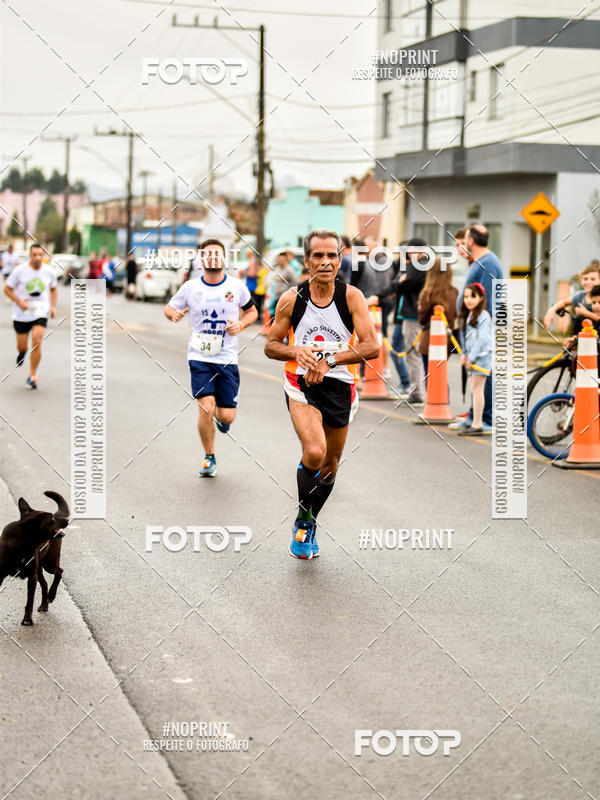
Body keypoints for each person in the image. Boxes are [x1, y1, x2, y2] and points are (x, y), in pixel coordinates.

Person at [264, 228, 379, 559]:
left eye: (332, 255)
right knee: (314, 451)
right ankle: (304, 525)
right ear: (307, 260)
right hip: (301, 385)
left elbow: (371, 346)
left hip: (340, 384)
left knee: (329, 465)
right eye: (319, 255)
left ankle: (309, 517)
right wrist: (294, 351)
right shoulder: (292, 299)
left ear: (340, 259)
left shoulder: (351, 297)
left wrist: (330, 360)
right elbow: (272, 345)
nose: (326, 262)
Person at [164, 238, 257, 478]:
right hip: (199, 356)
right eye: (208, 254)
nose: (213, 257)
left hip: (226, 357)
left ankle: (222, 417)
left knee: (226, 416)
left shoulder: (237, 286)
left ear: (225, 259)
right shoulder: (190, 287)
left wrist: (241, 324)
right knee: (205, 407)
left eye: (218, 254)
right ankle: (209, 457)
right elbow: (169, 308)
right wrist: (173, 314)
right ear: (201, 259)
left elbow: (252, 311)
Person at [453, 225, 503, 432]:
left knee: (484, 376)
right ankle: (475, 417)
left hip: (481, 329)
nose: (463, 243)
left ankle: (486, 419)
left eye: (464, 239)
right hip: (473, 326)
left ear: (471, 241)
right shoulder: (480, 262)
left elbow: (487, 299)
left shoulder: (488, 264)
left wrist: (476, 322)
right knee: (477, 378)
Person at [368, 237, 428, 404]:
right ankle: (411, 387)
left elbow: (404, 284)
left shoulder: (421, 265)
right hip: (405, 314)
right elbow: (397, 282)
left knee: (411, 353)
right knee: (404, 351)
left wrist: (400, 283)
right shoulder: (411, 265)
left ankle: (416, 392)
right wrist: (398, 283)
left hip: (413, 315)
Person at [4, 242, 57, 389]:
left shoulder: (49, 271)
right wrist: (19, 301)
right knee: (22, 345)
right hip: (21, 313)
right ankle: (22, 352)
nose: (38, 257)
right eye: (35, 255)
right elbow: (7, 289)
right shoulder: (19, 271)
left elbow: (53, 289)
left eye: (40, 254)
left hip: (40, 311)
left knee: (37, 340)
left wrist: (52, 307)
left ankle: (32, 376)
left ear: (44, 255)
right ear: (30, 255)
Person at [458, 283, 492, 436]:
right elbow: (466, 337)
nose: (469, 300)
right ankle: (475, 421)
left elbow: (483, 338)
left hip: (482, 358)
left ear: (481, 298)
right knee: (475, 389)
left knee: (477, 390)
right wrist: (464, 354)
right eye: (466, 297)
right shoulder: (469, 315)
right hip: (472, 357)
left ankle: (477, 423)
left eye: (473, 296)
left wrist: (470, 358)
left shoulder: (483, 315)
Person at [417, 259, 459, 377]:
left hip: (429, 342)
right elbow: (456, 315)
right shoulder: (454, 292)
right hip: (446, 342)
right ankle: (445, 396)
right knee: (441, 376)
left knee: (430, 377)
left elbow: (422, 319)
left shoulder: (428, 294)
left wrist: (421, 308)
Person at [543, 263, 600, 331]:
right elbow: (564, 302)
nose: (588, 282)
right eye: (585, 279)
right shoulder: (580, 296)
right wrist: (552, 309)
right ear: (581, 281)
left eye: (593, 279)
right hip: (584, 335)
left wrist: (585, 313)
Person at [268, 251, 299, 317]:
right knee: (274, 315)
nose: (280, 261)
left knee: (282, 316)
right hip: (276, 297)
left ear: (286, 260)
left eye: (281, 260)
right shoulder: (277, 269)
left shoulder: (290, 270)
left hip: (285, 298)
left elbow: (296, 282)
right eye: (278, 260)